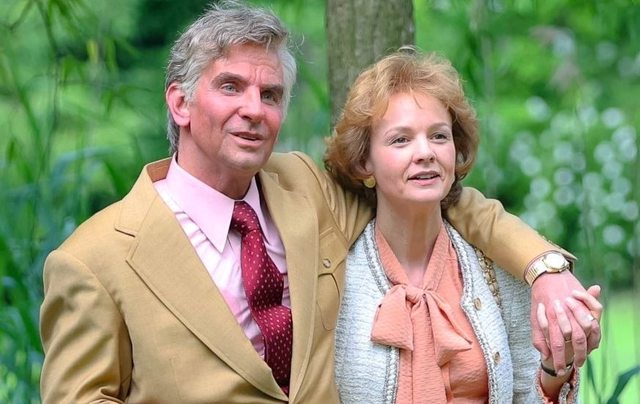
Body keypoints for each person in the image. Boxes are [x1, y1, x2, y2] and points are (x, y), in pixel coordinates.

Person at [39, 1, 599, 403]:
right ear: (180, 103)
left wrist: (544, 269)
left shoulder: (306, 189)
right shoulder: (94, 260)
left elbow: (435, 194)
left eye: (271, 94)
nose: (254, 109)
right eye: (230, 86)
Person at [328, 49, 602, 403]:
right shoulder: (336, 278)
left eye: (439, 136)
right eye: (401, 139)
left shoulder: (498, 267)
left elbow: (529, 396)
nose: (426, 152)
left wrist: (555, 367)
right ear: (364, 161)